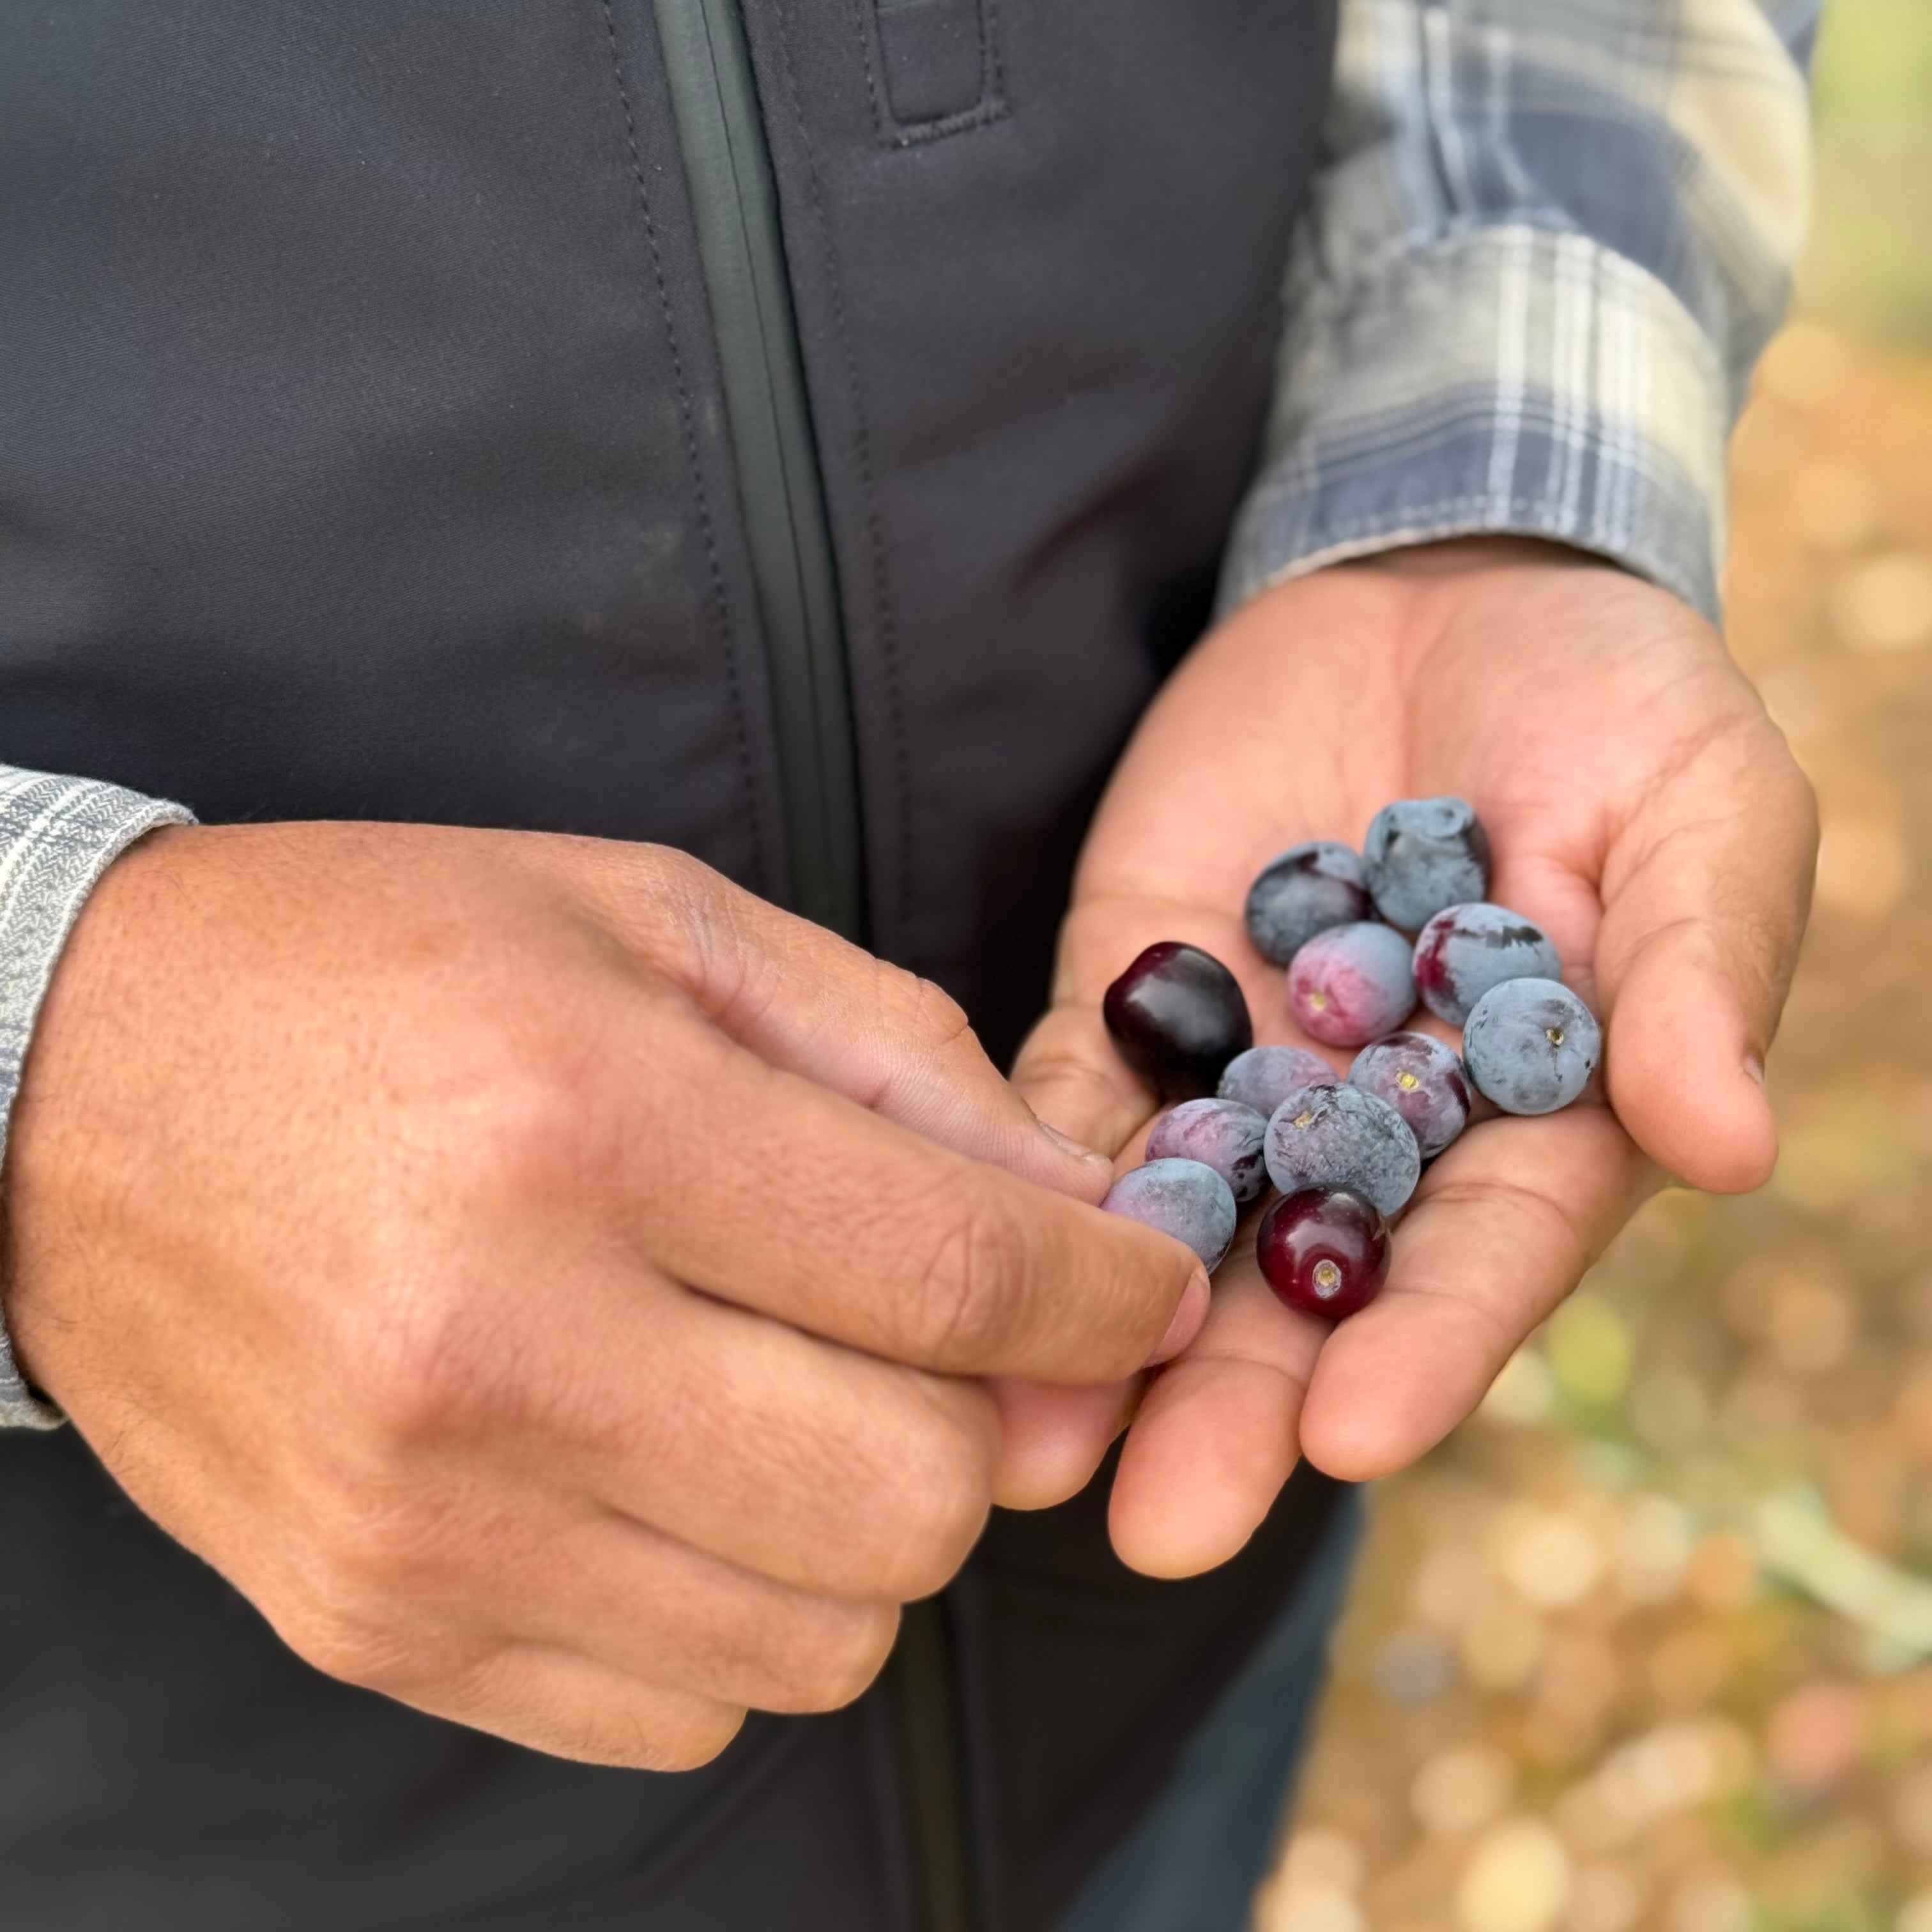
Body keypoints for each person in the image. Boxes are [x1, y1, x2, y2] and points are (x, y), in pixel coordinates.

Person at [0, 0, 1818, 1926]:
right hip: (208, 1778)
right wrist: (50, 1060)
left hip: (1135, 1655)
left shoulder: (1327, 1064)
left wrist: (1469, 458)